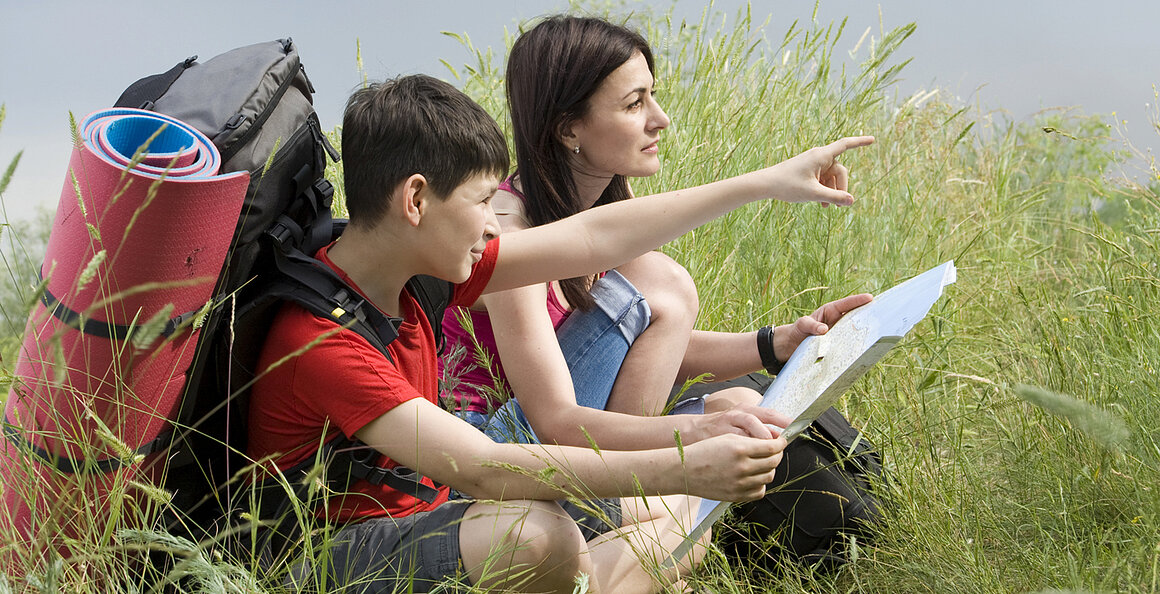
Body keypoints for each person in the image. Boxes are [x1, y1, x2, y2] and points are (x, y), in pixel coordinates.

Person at [247, 74, 871, 593]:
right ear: (416, 201)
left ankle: (592, 580)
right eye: (482, 202)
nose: (495, 228)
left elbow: (594, 237)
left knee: (680, 518)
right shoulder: (322, 341)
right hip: (327, 560)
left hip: (434, 513)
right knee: (538, 538)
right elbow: (488, 470)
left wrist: (764, 183)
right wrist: (684, 463)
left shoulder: (411, 267)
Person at [442, 15, 872, 451]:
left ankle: (642, 504)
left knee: (738, 401)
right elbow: (555, 419)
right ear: (569, 127)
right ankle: (624, 501)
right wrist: (688, 441)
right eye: (634, 104)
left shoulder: (609, 202)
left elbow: (637, 352)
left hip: (559, 422)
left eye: (654, 97)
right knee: (661, 284)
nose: (660, 119)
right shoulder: (510, 229)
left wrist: (778, 343)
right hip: (492, 444)